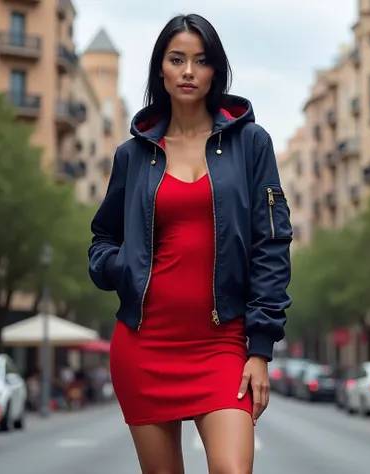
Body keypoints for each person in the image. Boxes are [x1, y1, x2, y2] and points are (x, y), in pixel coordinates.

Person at [88, 13, 292, 474]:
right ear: (160, 67)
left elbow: (272, 245)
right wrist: (124, 268)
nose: (187, 71)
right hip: (145, 343)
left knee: (232, 469)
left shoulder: (251, 144)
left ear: (215, 70)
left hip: (221, 343)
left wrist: (259, 348)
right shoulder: (133, 154)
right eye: (176, 59)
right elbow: (102, 239)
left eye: (200, 61)